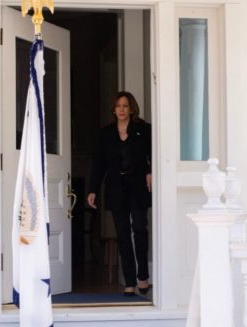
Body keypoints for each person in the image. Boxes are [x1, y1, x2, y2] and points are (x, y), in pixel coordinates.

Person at [87, 91, 152, 296]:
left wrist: (150, 171)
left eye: (125, 106)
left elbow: (154, 154)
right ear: (113, 110)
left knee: (140, 229)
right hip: (116, 189)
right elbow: (99, 164)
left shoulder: (144, 129)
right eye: (118, 106)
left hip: (138, 187)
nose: (122, 110)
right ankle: (130, 281)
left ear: (131, 108)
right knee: (123, 235)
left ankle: (143, 276)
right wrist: (92, 190)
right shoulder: (106, 134)